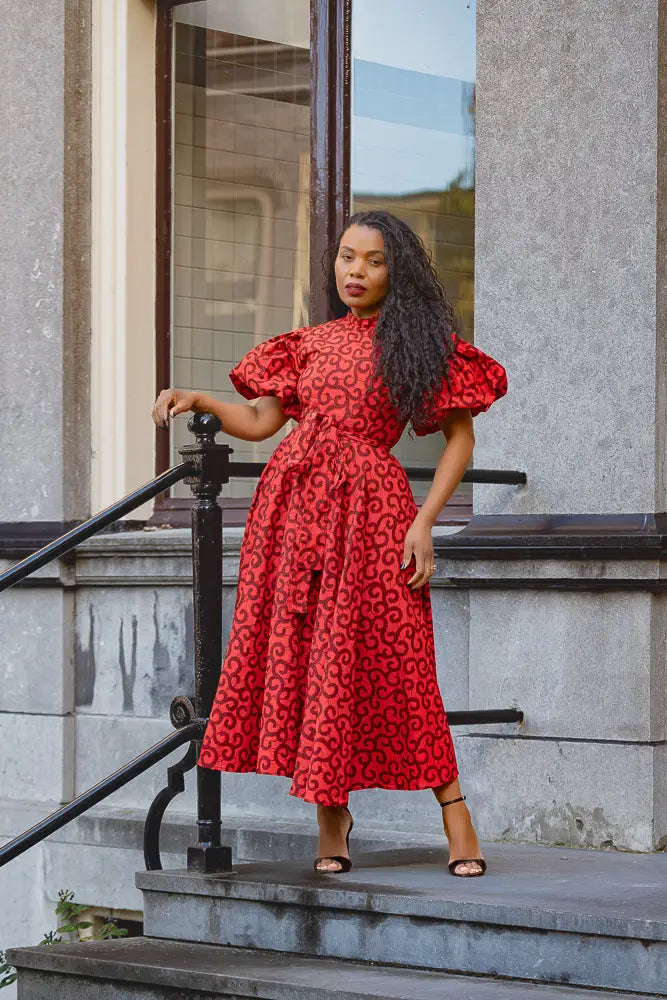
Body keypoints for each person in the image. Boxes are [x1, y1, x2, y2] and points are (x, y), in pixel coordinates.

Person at [152, 209, 507, 878]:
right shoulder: (308, 344)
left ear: (395, 269)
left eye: (372, 260)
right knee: (314, 658)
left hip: (372, 511)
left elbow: (458, 437)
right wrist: (198, 395)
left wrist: (425, 521)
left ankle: (454, 810)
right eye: (347, 257)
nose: (355, 270)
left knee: (397, 659)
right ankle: (329, 814)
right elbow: (261, 421)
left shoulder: (420, 347)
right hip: (290, 516)